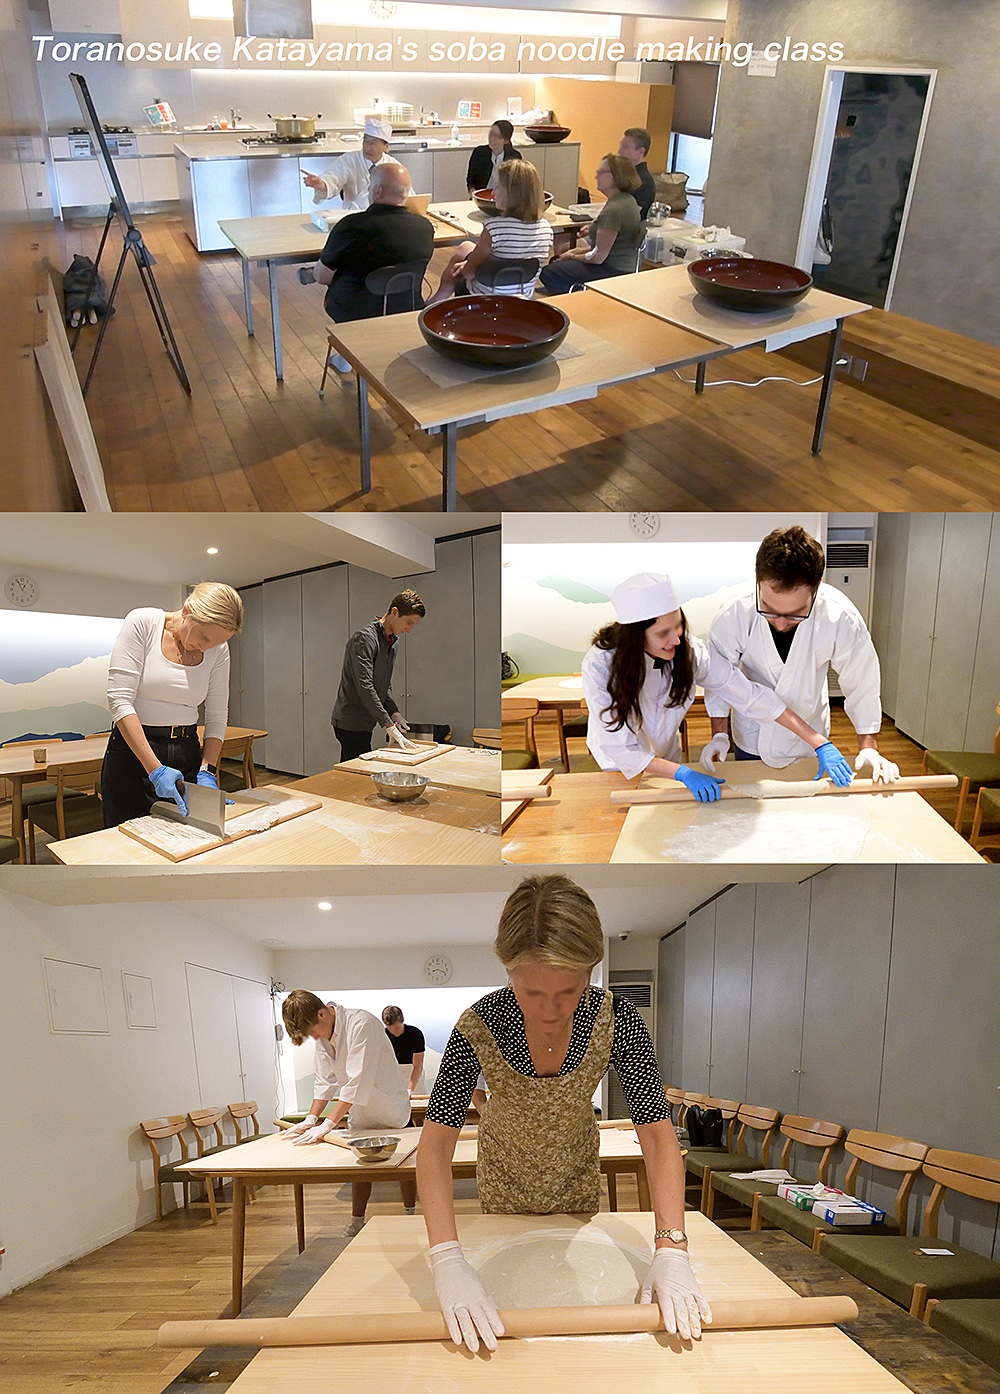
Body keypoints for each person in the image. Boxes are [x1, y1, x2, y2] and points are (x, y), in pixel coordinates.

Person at [417, 873, 711, 1353]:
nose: (550, 1011)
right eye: (532, 993)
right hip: (503, 1184)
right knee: (510, 1319)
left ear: (591, 971)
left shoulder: (615, 1020)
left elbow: (658, 1138)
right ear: (508, 971)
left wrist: (672, 1248)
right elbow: (433, 1150)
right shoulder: (478, 1024)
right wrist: (447, 1258)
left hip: (576, 1181)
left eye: (568, 992)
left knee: (570, 1320)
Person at [581, 572, 853, 800]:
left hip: (667, 756)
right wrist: (683, 774)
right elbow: (621, 747)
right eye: (662, 633)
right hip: (618, 767)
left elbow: (750, 696)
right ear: (634, 635)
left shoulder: (688, 652)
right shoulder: (600, 666)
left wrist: (819, 743)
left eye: (677, 627)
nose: (676, 640)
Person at [704, 527, 899, 782]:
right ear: (757, 580)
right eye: (770, 610)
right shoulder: (735, 612)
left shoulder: (840, 616)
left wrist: (868, 745)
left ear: (816, 587)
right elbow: (718, 677)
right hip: (753, 737)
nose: (782, 624)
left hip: (810, 736)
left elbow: (862, 681)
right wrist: (719, 734)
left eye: (796, 613)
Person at [100, 582, 242, 828]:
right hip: (134, 752)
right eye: (204, 637)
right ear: (187, 611)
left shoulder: (218, 649)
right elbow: (119, 700)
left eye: (215, 644)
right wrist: (154, 769)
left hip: (186, 751)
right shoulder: (143, 623)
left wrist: (207, 770)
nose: (206, 648)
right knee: (128, 846)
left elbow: (217, 715)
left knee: (187, 839)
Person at [281, 991, 416, 1237]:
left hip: (390, 1108)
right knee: (361, 1168)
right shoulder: (323, 1034)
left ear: (322, 1013)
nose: (315, 1038)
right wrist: (311, 1119)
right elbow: (323, 1082)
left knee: (403, 1165)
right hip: (360, 1112)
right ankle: (357, 1220)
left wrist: (328, 1124)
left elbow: (357, 1080)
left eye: (312, 1032)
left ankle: (410, 1213)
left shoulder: (362, 1023)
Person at [314, 162, 434, 373]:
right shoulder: (424, 228)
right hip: (406, 305)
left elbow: (322, 276)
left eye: (370, 187)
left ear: (377, 191)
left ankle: (350, 353)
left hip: (355, 310)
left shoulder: (350, 226)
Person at [426, 159, 553, 304]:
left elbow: (469, 273)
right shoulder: (546, 229)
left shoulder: (494, 228)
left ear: (512, 193)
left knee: (461, 261)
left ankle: (436, 301)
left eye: (498, 187)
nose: (493, 192)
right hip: (522, 298)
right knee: (466, 247)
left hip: (483, 297)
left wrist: (466, 265)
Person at [331, 589, 425, 762]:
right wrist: (388, 724)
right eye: (408, 623)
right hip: (350, 722)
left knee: (357, 773)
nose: (409, 630)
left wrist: (394, 712)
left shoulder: (393, 643)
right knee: (355, 774)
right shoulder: (365, 639)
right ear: (394, 612)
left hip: (366, 722)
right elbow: (365, 686)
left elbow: (383, 685)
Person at [539, 154, 643, 294]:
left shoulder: (614, 209)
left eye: (601, 172)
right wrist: (577, 252)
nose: (596, 176)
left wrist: (573, 256)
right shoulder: (627, 200)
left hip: (612, 269)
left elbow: (597, 257)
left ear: (614, 176)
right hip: (620, 264)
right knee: (557, 261)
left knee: (548, 272)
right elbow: (604, 248)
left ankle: (578, 295)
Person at [302, 115, 396, 211]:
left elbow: (406, 195)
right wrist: (321, 183)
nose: (368, 147)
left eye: (373, 143)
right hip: (352, 216)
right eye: (366, 141)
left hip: (382, 216)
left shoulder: (394, 167)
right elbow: (334, 177)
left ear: (386, 146)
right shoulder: (350, 160)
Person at [466, 119, 522, 195]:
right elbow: (471, 181)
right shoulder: (479, 153)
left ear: (506, 140)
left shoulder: (514, 156)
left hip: (504, 199)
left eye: (497, 136)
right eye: (491, 134)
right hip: (480, 196)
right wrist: (473, 194)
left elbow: (514, 185)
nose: (492, 139)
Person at [383, 1005, 426, 1094]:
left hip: (414, 1075)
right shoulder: (383, 1035)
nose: (395, 1032)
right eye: (391, 1029)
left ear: (402, 1021)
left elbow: (418, 1066)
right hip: (392, 1075)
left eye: (397, 1028)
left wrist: (410, 1089)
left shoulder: (415, 1034)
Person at [618, 127, 656, 218]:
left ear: (641, 151)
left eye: (625, 147)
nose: (619, 151)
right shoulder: (629, 175)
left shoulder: (644, 182)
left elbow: (627, 216)